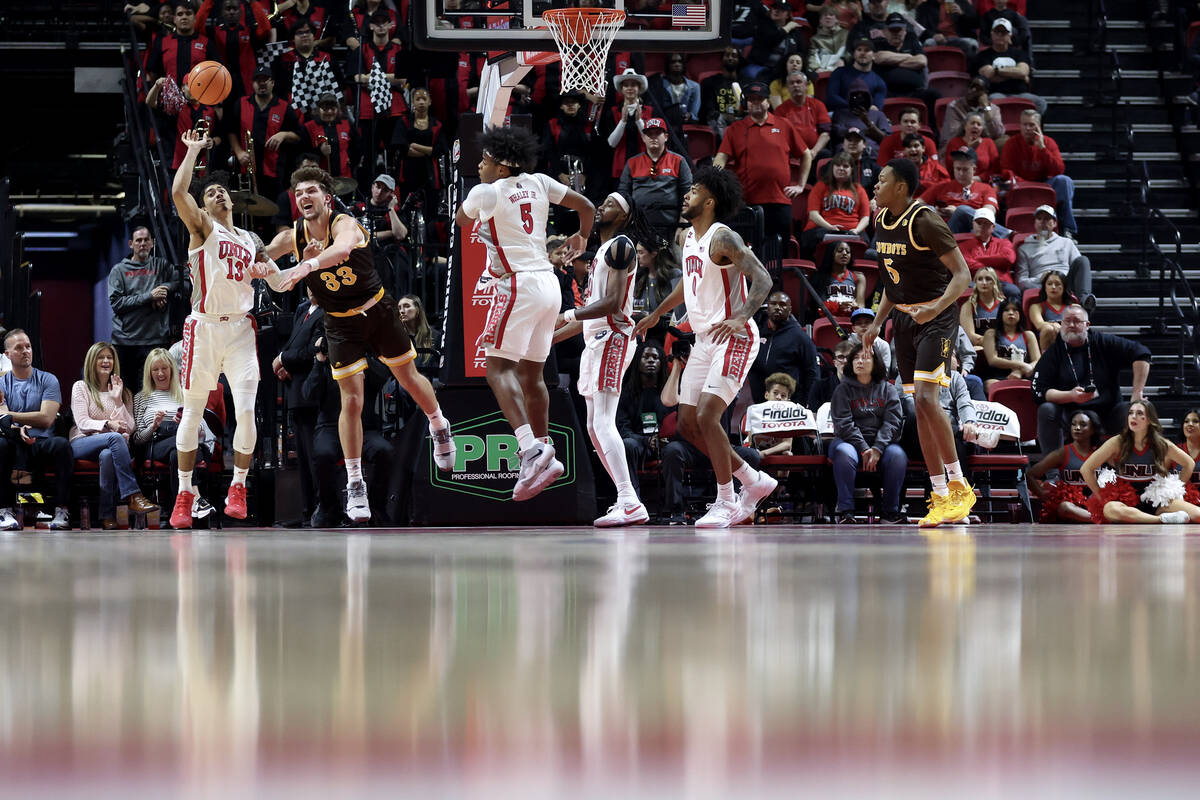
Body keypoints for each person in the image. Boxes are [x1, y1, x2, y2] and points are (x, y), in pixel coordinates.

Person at [264, 165, 458, 523]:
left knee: (409, 378)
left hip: (377, 311)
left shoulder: (345, 224)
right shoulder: (291, 235)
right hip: (340, 322)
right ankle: (355, 483)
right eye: (299, 192)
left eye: (311, 190)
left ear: (326, 197)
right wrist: (257, 269)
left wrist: (305, 267)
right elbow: (262, 258)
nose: (304, 197)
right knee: (350, 399)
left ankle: (439, 423)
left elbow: (339, 252)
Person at [169, 128, 306, 529]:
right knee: (192, 413)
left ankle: (239, 487)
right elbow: (180, 194)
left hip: (241, 332)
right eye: (210, 193)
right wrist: (193, 150)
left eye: (221, 192)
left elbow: (279, 282)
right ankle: (184, 492)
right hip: (204, 328)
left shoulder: (250, 239)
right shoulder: (202, 230)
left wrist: (301, 264)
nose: (218, 195)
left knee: (246, 411)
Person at [454, 126, 595, 501]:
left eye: (485, 160)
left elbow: (460, 221)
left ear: (501, 167)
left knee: (496, 368)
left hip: (517, 284)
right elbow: (587, 207)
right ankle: (544, 452)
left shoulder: (486, 191)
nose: (480, 165)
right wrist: (581, 236)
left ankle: (531, 450)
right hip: (549, 284)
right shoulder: (539, 182)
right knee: (532, 375)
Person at [634, 167, 777, 528]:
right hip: (703, 340)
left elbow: (763, 278)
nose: (685, 194)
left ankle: (726, 499)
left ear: (709, 201)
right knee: (687, 423)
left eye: (693, 190)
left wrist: (742, 316)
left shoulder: (722, 237)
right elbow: (689, 285)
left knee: (708, 416)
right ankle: (751, 479)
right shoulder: (689, 240)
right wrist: (657, 314)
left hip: (734, 338)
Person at [861, 158, 975, 527]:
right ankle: (940, 494)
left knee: (928, 397)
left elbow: (963, 275)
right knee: (920, 405)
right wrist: (876, 323)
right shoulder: (881, 221)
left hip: (939, 317)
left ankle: (959, 486)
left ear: (900, 187)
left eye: (881, 181)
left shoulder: (925, 220)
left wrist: (936, 307)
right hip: (905, 320)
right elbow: (891, 285)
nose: (875, 187)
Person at [553, 194, 658, 527]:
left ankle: (629, 499)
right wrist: (547, 340)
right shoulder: (600, 252)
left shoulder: (621, 245)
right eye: (604, 201)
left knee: (603, 423)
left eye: (612, 204)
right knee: (592, 426)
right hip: (596, 340)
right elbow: (588, 317)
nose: (602, 206)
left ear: (625, 216)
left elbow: (611, 305)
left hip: (612, 338)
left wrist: (566, 312)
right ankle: (624, 498)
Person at [713, 79, 809, 269]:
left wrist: (800, 185)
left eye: (760, 99)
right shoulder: (735, 129)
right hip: (747, 202)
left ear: (768, 102)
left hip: (779, 201)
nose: (756, 103)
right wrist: (717, 180)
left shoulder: (784, 125)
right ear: (746, 104)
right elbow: (721, 158)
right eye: (751, 100)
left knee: (777, 254)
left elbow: (806, 154)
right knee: (747, 253)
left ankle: (775, 296)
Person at [1032, 303, 1151, 454]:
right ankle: (1053, 472)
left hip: (1107, 412)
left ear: (1087, 325)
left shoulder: (1104, 342)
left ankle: (1130, 467)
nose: (1071, 325)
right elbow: (1039, 392)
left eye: (1077, 321)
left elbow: (1142, 353)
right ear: (1061, 325)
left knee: (1136, 410)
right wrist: (1070, 396)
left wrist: (1137, 393)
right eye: (1067, 321)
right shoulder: (1054, 352)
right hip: (1070, 414)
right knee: (1046, 409)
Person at [68, 342, 160, 530]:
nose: (106, 361)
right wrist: (108, 424)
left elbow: (130, 428)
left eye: (109, 357)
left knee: (108, 455)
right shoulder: (81, 387)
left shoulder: (123, 391)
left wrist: (118, 401)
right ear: (92, 362)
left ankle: (107, 515)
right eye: (101, 357)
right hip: (82, 443)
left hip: (111, 447)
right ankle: (133, 495)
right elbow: (82, 423)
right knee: (115, 439)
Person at [1081, 400, 1199, 525]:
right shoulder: (1116, 442)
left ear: (1149, 419)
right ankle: (1160, 520)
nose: (1133, 416)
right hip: (1123, 501)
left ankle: (1155, 516)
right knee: (1110, 509)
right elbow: (1086, 468)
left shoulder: (1161, 444)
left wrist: (1177, 489)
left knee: (1197, 514)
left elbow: (1189, 463)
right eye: (1131, 413)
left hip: (1155, 499)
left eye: (1139, 413)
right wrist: (1101, 496)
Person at [0, 329, 72, 531]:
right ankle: (3, 511)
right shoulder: (1, 384)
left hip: (41, 442)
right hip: (13, 441)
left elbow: (46, 418)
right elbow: (1, 419)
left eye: (28, 346)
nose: (26, 351)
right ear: (7, 355)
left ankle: (61, 510)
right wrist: (16, 428)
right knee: (1, 444)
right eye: (19, 347)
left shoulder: (48, 380)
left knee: (62, 445)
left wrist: (11, 416)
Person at [829, 341, 907, 524]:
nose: (858, 361)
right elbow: (843, 425)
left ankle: (889, 512)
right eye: (855, 358)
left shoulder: (888, 389)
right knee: (844, 453)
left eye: (864, 358)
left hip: (881, 445)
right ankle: (846, 511)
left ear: (876, 362)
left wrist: (878, 448)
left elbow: (893, 423)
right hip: (848, 442)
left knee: (898, 455)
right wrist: (864, 449)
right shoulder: (842, 390)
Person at [108, 225, 187, 385]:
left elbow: (184, 281)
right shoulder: (119, 270)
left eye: (146, 240)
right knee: (126, 391)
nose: (142, 243)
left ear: (152, 243)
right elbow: (117, 303)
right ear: (131, 244)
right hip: (125, 343)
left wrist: (165, 288)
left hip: (155, 341)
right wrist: (150, 296)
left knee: (151, 391)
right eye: (138, 240)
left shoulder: (162, 266)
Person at [229, 68, 302, 203]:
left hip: (274, 172)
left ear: (272, 83)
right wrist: (239, 152)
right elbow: (231, 131)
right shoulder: (241, 103)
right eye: (258, 80)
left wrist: (283, 134)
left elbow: (298, 136)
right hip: (246, 169)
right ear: (253, 84)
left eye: (265, 80)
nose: (262, 83)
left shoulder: (285, 107)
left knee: (272, 211)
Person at [1001, 112, 1077, 238]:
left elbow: (1059, 169)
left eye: (1031, 125)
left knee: (1065, 181)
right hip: (1021, 186)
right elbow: (1006, 170)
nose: (1027, 128)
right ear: (1020, 126)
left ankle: (1068, 229)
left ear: (1039, 126)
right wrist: (1022, 183)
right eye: (1024, 124)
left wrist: (1042, 149)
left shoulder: (1048, 142)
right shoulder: (1011, 143)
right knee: (1002, 186)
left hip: (1044, 184)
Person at [618, 117, 692, 244]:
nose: (653, 137)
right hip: (639, 227)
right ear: (643, 138)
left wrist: (683, 226)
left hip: (671, 226)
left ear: (666, 137)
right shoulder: (632, 163)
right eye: (649, 134)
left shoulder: (678, 161)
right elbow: (623, 196)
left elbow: (688, 195)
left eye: (658, 133)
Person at [748, 290, 820, 411]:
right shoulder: (756, 331)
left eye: (782, 304)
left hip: (789, 403)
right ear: (767, 307)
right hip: (759, 401)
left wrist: (804, 402)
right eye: (773, 304)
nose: (777, 307)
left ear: (790, 309)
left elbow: (812, 372)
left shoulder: (800, 337)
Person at [615, 343, 670, 499]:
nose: (651, 361)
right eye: (646, 357)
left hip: (665, 442)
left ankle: (675, 508)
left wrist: (665, 438)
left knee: (676, 448)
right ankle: (632, 498)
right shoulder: (625, 394)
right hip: (639, 443)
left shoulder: (669, 392)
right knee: (627, 444)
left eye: (655, 357)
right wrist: (646, 441)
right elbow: (623, 430)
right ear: (637, 362)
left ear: (661, 363)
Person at [1028, 409, 1101, 523]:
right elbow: (1030, 475)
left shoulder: (1102, 452)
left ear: (1093, 429)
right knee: (1064, 507)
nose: (1077, 428)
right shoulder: (1063, 453)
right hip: (1072, 505)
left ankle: (1092, 517)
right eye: (1073, 424)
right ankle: (1100, 519)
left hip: (1095, 503)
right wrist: (1042, 494)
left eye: (1083, 425)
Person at [1016, 205, 1093, 305]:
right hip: (1043, 284)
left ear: (1055, 223)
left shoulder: (1066, 242)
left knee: (1083, 260)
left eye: (1047, 219)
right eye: (1039, 219)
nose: (1043, 222)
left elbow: (1079, 269)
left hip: (1065, 282)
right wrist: (1039, 280)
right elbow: (1021, 282)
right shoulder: (1024, 248)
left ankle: (1085, 301)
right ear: (1035, 223)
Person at [801, 152, 871, 258]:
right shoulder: (820, 186)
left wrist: (856, 231)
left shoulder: (859, 190)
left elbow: (865, 218)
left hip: (852, 231)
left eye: (845, 166)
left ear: (852, 169)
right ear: (832, 167)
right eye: (837, 165)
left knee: (865, 242)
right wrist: (830, 228)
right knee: (809, 239)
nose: (841, 168)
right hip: (823, 229)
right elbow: (813, 215)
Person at [920, 147, 1003, 235]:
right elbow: (916, 204)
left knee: (962, 210)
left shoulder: (986, 188)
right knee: (928, 210)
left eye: (965, 169)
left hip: (974, 230)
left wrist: (957, 212)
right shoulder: (941, 187)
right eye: (958, 169)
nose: (961, 173)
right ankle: (1007, 234)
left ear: (974, 169)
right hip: (945, 230)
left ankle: (1005, 234)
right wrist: (936, 212)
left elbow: (988, 213)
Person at [972, 17, 1044, 116]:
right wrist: (1016, 74)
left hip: (1020, 94)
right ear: (991, 34)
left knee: (1040, 103)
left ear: (1010, 35)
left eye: (1004, 32)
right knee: (991, 101)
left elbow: (1023, 72)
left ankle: (1029, 127)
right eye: (997, 32)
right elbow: (987, 74)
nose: (1000, 35)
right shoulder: (983, 55)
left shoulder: (1020, 54)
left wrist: (996, 71)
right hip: (995, 93)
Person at [958, 208, 1019, 297]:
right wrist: (995, 265)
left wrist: (977, 259)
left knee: (1013, 291)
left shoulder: (1004, 242)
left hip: (1001, 282)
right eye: (979, 223)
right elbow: (967, 265)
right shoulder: (963, 246)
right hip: (975, 282)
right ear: (973, 224)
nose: (982, 226)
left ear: (993, 227)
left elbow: (1008, 259)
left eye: (986, 223)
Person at [979, 298, 1039, 388]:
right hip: (997, 376)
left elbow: (1037, 360)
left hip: (1023, 376)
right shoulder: (991, 334)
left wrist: (1020, 371)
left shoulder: (1028, 335)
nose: (1011, 313)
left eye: (1015, 310)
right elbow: (992, 360)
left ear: (1020, 314)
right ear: (1000, 314)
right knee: (990, 385)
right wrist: (1021, 365)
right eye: (1006, 310)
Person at [774, 72, 832, 157]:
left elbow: (825, 134)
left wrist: (814, 152)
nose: (795, 85)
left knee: (826, 155)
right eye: (791, 83)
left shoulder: (818, 105)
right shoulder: (780, 110)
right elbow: (779, 137)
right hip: (791, 153)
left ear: (806, 85)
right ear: (787, 88)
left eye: (799, 82)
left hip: (815, 152)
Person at [827, 38, 888, 115]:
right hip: (840, 114)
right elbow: (831, 97)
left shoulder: (879, 81)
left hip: (865, 117)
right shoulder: (839, 72)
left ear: (874, 55)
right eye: (859, 50)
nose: (862, 53)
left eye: (867, 50)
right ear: (854, 54)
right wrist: (853, 107)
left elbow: (877, 107)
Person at [959, 265, 1004, 349]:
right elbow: (971, 337)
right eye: (980, 279)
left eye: (988, 279)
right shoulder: (968, 306)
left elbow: (1012, 334)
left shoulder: (1004, 305)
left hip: (1002, 349)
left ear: (995, 282)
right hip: (979, 348)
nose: (984, 282)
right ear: (975, 283)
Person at [819, 239, 868, 317]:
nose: (844, 253)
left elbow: (861, 305)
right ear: (831, 253)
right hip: (830, 318)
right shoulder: (821, 277)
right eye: (840, 251)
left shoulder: (859, 277)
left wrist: (855, 307)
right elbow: (821, 306)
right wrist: (838, 307)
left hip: (851, 318)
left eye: (848, 252)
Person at [1027, 270, 1072, 353]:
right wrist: (1055, 325)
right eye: (1049, 284)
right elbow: (1039, 325)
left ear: (1064, 287)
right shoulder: (1036, 307)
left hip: (1069, 344)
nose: (1053, 287)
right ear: (1044, 287)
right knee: (1048, 329)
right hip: (1046, 343)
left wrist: (1059, 328)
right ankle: (1046, 362)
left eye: (1057, 284)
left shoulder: (1074, 308)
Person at [807, 5, 850, 74]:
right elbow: (812, 56)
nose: (828, 17)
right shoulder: (815, 39)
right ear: (820, 20)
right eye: (825, 15)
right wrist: (816, 68)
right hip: (823, 70)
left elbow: (850, 51)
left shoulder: (845, 34)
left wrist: (843, 60)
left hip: (844, 68)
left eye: (831, 15)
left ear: (836, 19)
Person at [1180, 407, 1200, 505]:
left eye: (1195, 421)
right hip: (1181, 504)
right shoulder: (1173, 451)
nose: (1190, 424)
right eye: (1186, 421)